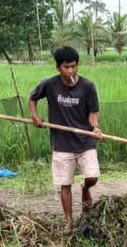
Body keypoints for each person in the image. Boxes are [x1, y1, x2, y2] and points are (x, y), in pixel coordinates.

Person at [29, 46, 103, 232]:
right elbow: (32, 98)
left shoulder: (88, 86)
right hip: (62, 144)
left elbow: (93, 113)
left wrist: (94, 127)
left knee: (92, 177)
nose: (70, 71)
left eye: (73, 66)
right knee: (65, 184)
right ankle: (69, 221)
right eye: (66, 67)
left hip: (85, 142)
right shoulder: (50, 84)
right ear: (58, 67)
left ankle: (85, 189)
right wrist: (35, 116)